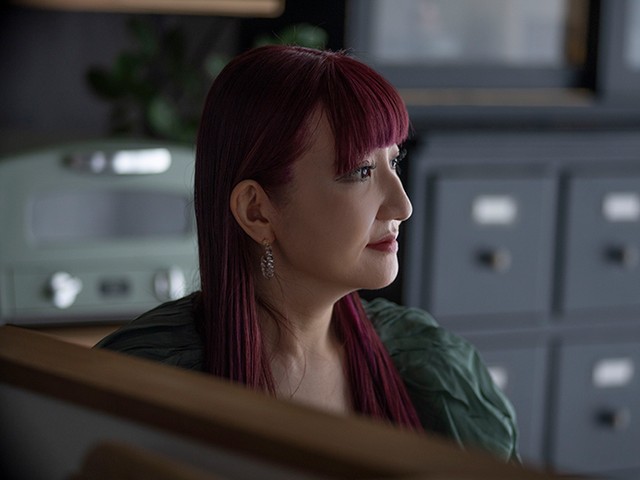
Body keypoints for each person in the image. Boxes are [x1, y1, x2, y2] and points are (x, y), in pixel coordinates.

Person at [97, 45, 519, 461]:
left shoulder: (430, 368)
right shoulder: (142, 382)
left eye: (394, 161)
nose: (402, 206)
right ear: (257, 211)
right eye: (361, 171)